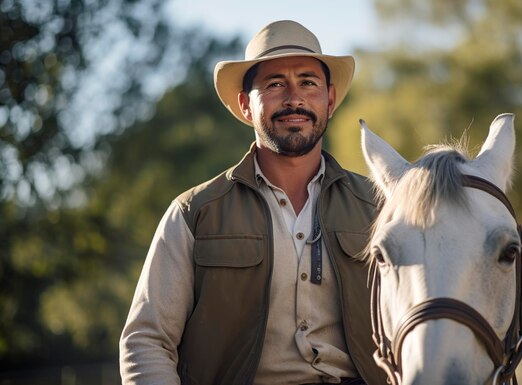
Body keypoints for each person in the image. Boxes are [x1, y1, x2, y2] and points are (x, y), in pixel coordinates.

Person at [119, 20, 386, 385]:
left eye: (308, 82)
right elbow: (146, 342)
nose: (295, 98)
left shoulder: (383, 208)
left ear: (331, 100)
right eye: (275, 85)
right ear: (246, 105)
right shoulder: (194, 213)